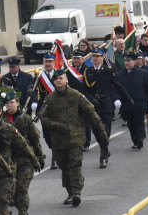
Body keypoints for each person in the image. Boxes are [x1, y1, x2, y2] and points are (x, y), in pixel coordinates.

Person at [40, 69, 108, 206]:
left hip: (76, 138)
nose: (58, 80)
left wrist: (101, 129)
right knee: (64, 167)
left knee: (75, 164)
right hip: (59, 140)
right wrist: (56, 125)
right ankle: (70, 192)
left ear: (66, 80)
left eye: (61, 78)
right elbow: (43, 118)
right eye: (56, 79)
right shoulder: (49, 99)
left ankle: (77, 192)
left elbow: (90, 111)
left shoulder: (76, 95)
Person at [115, 53, 148, 149]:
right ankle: (135, 140)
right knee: (130, 123)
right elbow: (116, 89)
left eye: (129, 61)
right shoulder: (119, 75)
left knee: (139, 121)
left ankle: (140, 138)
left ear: (134, 61)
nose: (127, 63)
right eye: (125, 61)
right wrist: (117, 99)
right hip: (126, 104)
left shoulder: (143, 73)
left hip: (139, 102)